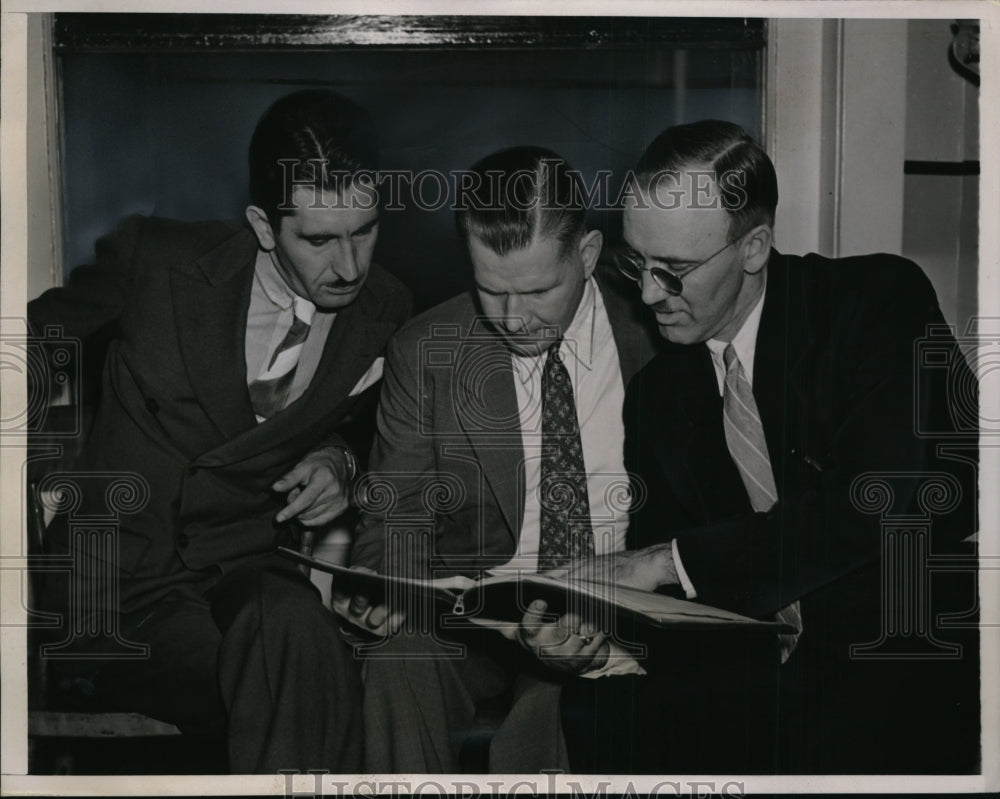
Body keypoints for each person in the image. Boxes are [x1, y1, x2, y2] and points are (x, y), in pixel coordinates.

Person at [558, 120, 980, 774]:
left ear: (753, 247)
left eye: (672, 272)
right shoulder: (660, 393)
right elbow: (681, 594)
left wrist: (662, 562)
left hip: (901, 648)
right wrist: (599, 629)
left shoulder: (875, 304)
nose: (646, 295)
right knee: (602, 710)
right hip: (759, 672)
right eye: (635, 264)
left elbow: (878, 507)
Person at [28, 89, 411, 773]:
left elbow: (369, 428)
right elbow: (30, 344)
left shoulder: (385, 308)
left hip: (246, 574)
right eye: (320, 240)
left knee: (294, 632)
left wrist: (339, 462)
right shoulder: (159, 263)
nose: (349, 266)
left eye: (365, 230)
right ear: (264, 226)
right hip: (117, 592)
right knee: (298, 677)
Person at [348, 146, 661, 772]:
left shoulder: (658, 335)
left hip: (620, 616)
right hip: (481, 626)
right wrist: (386, 587)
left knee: (546, 720)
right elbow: (391, 524)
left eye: (539, 289)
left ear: (589, 256)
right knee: (396, 663)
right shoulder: (425, 350)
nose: (515, 319)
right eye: (491, 290)